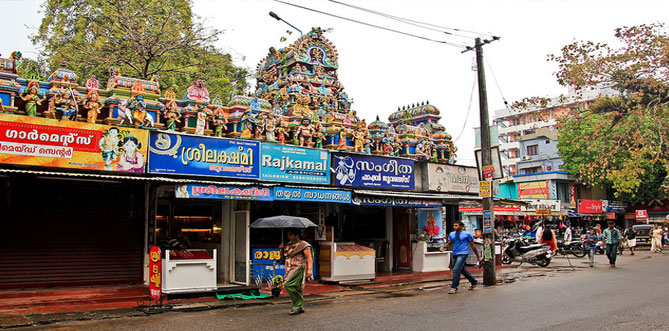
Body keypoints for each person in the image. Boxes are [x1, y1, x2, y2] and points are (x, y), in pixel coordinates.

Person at [439, 221, 482, 294]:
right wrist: (443, 247)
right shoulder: (452, 234)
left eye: (456, 225)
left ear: (461, 226)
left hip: (463, 253)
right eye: (454, 225)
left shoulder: (467, 234)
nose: (455, 227)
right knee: (461, 269)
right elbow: (449, 243)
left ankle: (454, 287)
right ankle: (473, 281)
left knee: (456, 269)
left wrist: (478, 256)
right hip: (455, 253)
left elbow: (473, 246)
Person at [280, 229, 313, 315]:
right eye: (288, 235)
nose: (288, 237)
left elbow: (309, 257)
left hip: (298, 267)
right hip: (289, 267)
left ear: (297, 235)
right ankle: (299, 306)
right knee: (296, 287)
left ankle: (297, 305)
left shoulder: (304, 245)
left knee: (288, 284)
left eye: (290, 235)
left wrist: (310, 269)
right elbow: (283, 257)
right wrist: (281, 249)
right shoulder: (287, 245)